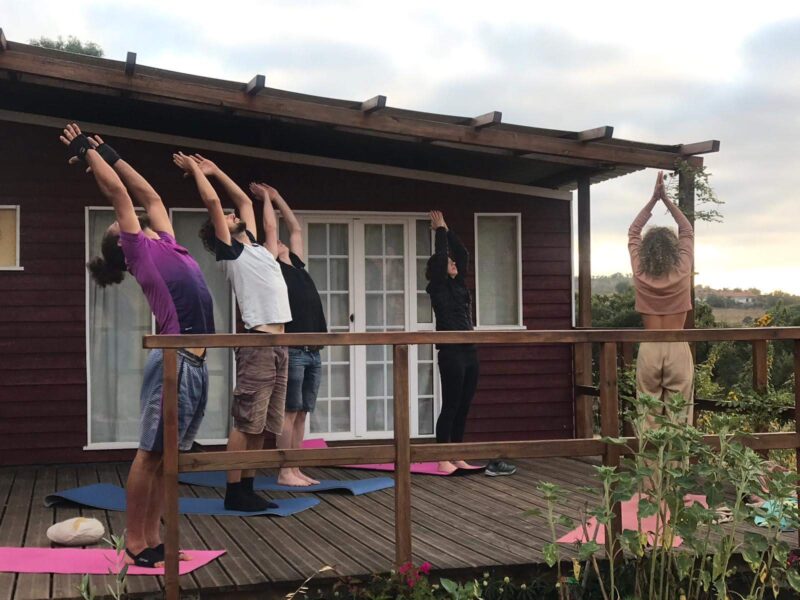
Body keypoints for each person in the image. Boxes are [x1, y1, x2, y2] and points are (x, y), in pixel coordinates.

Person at [63, 124, 215, 568]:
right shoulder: (140, 253)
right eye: (122, 224)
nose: (133, 220)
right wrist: (88, 152)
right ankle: (135, 540)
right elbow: (121, 196)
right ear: (122, 245)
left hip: (196, 364)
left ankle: (155, 538)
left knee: (168, 459)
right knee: (150, 455)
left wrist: (108, 150)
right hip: (174, 361)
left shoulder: (166, 241)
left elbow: (148, 196)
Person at [180, 153, 292, 509]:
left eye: (232, 217)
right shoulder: (230, 253)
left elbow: (243, 200)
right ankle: (233, 492)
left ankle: (247, 487)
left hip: (281, 343)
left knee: (262, 426)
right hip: (257, 341)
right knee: (246, 422)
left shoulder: (257, 248)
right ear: (220, 233)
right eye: (227, 219)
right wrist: (198, 172)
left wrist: (216, 170)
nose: (232, 215)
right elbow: (213, 201)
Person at [425, 211, 516, 477]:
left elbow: (462, 254)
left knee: (464, 404)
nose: (453, 263)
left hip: (469, 350)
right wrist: (439, 231)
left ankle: (457, 454)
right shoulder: (437, 287)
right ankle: (442, 458)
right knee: (451, 404)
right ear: (440, 268)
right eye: (448, 262)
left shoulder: (459, 284)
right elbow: (444, 257)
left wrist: (448, 229)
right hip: (451, 351)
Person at [266, 186, 328, 487]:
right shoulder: (273, 270)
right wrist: (266, 203)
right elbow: (271, 230)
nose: (280, 241)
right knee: (290, 411)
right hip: (293, 349)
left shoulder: (298, 266)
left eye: (282, 241)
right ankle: (284, 470)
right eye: (275, 242)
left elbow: (295, 227)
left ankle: (296, 466)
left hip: (314, 348)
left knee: (303, 411)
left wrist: (278, 197)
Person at [628, 170, 695, 427]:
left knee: (649, 420)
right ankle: (679, 467)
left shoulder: (640, 272)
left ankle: (651, 468)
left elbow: (633, 232)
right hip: (677, 346)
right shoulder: (681, 270)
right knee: (680, 421)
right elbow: (686, 229)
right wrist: (667, 200)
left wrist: (653, 200)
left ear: (645, 251)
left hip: (650, 347)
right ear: (673, 249)